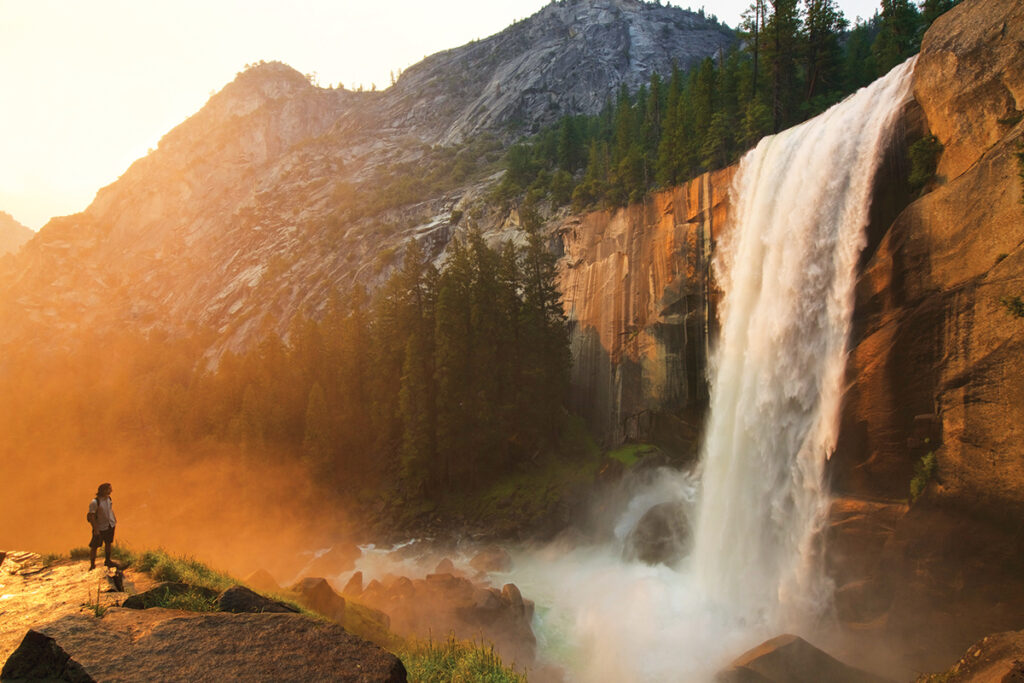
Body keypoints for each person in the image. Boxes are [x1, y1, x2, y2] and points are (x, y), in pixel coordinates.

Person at [87, 482, 117, 570]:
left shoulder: (109, 499)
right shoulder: (95, 502)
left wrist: (113, 520)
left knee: (108, 543)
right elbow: (91, 516)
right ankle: (92, 564)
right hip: (100, 527)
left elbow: (109, 510)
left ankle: (108, 561)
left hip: (110, 525)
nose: (111, 490)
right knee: (94, 546)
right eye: (109, 489)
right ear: (103, 490)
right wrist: (95, 529)